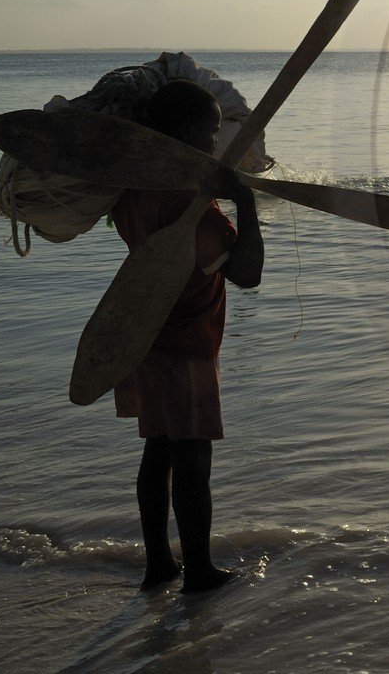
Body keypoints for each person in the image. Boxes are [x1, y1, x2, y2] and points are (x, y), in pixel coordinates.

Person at [111, 79, 263, 592]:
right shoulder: (189, 204)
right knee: (192, 459)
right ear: (181, 132)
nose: (213, 145)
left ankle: (159, 565)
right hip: (187, 344)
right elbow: (247, 274)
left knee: (158, 450)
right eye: (208, 134)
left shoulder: (132, 188)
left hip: (140, 335)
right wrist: (243, 203)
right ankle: (198, 571)